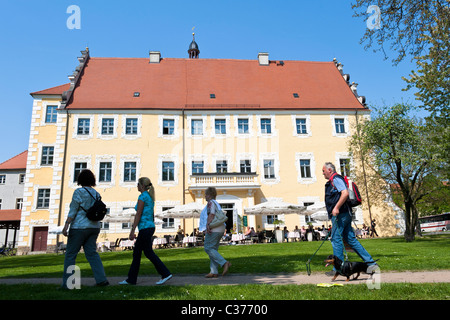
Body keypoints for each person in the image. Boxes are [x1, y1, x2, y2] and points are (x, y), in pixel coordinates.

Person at [322, 162, 378, 275]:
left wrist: (336, 208)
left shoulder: (335, 179)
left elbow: (345, 193)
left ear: (329, 170)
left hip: (340, 214)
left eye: (323, 171)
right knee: (351, 239)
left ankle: (338, 269)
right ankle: (371, 264)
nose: (322, 173)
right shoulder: (335, 180)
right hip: (345, 214)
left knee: (336, 240)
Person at [119, 177, 172, 285]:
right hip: (149, 227)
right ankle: (165, 273)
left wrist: (132, 230)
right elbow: (150, 214)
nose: (137, 186)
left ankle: (132, 279)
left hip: (145, 228)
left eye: (138, 184)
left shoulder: (142, 196)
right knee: (147, 252)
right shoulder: (150, 197)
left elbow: (138, 214)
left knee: (138, 253)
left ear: (142, 186)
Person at [61, 169, 109, 288]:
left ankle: (69, 284)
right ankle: (101, 280)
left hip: (79, 227)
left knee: (71, 255)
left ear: (80, 180)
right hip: (94, 226)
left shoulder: (79, 192)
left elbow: (73, 210)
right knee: (92, 254)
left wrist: (66, 225)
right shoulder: (96, 194)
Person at [199, 187, 231, 278]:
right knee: (213, 250)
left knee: (208, 248)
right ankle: (214, 271)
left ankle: (224, 263)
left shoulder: (210, 203)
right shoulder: (216, 203)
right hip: (220, 228)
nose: (205, 196)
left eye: (206, 194)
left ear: (209, 195)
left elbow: (211, 214)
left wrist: (208, 225)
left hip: (214, 229)